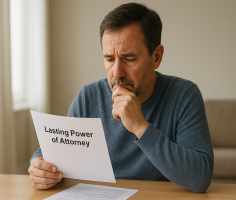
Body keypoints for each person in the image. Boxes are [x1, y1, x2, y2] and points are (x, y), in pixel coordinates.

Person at [28, 3, 214, 193]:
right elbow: (58, 152)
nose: (117, 72)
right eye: (109, 59)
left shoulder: (184, 95)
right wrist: (38, 164)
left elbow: (200, 179)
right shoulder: (88, 97)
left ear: (156, 57)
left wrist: (141, 127)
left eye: (129, 59)